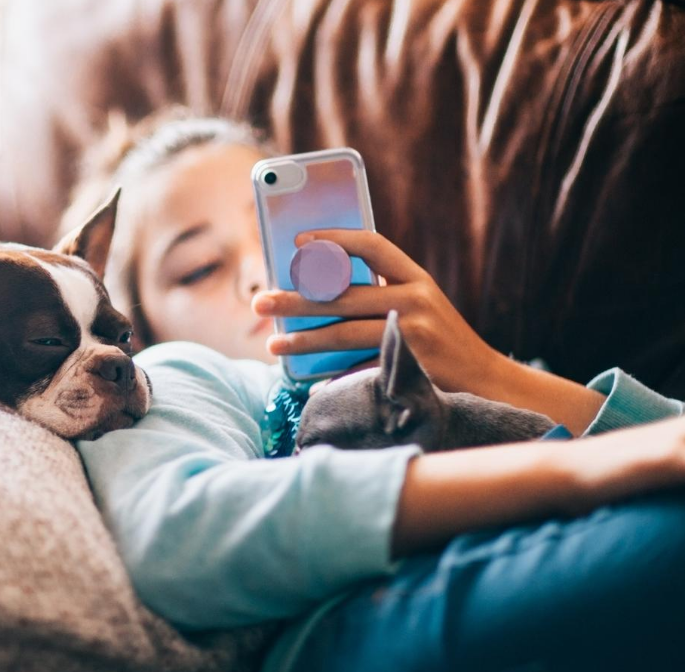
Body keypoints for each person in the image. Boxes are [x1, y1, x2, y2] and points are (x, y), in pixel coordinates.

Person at [61, 108, 685, 671]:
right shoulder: (187, 376)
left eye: (279, 236)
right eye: (200, 267)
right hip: (358, 620)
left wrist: (490, 371)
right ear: (133, 324)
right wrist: (569, 470)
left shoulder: (473, 371)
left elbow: (664, 448)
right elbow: (178, 539)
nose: (260, 273)